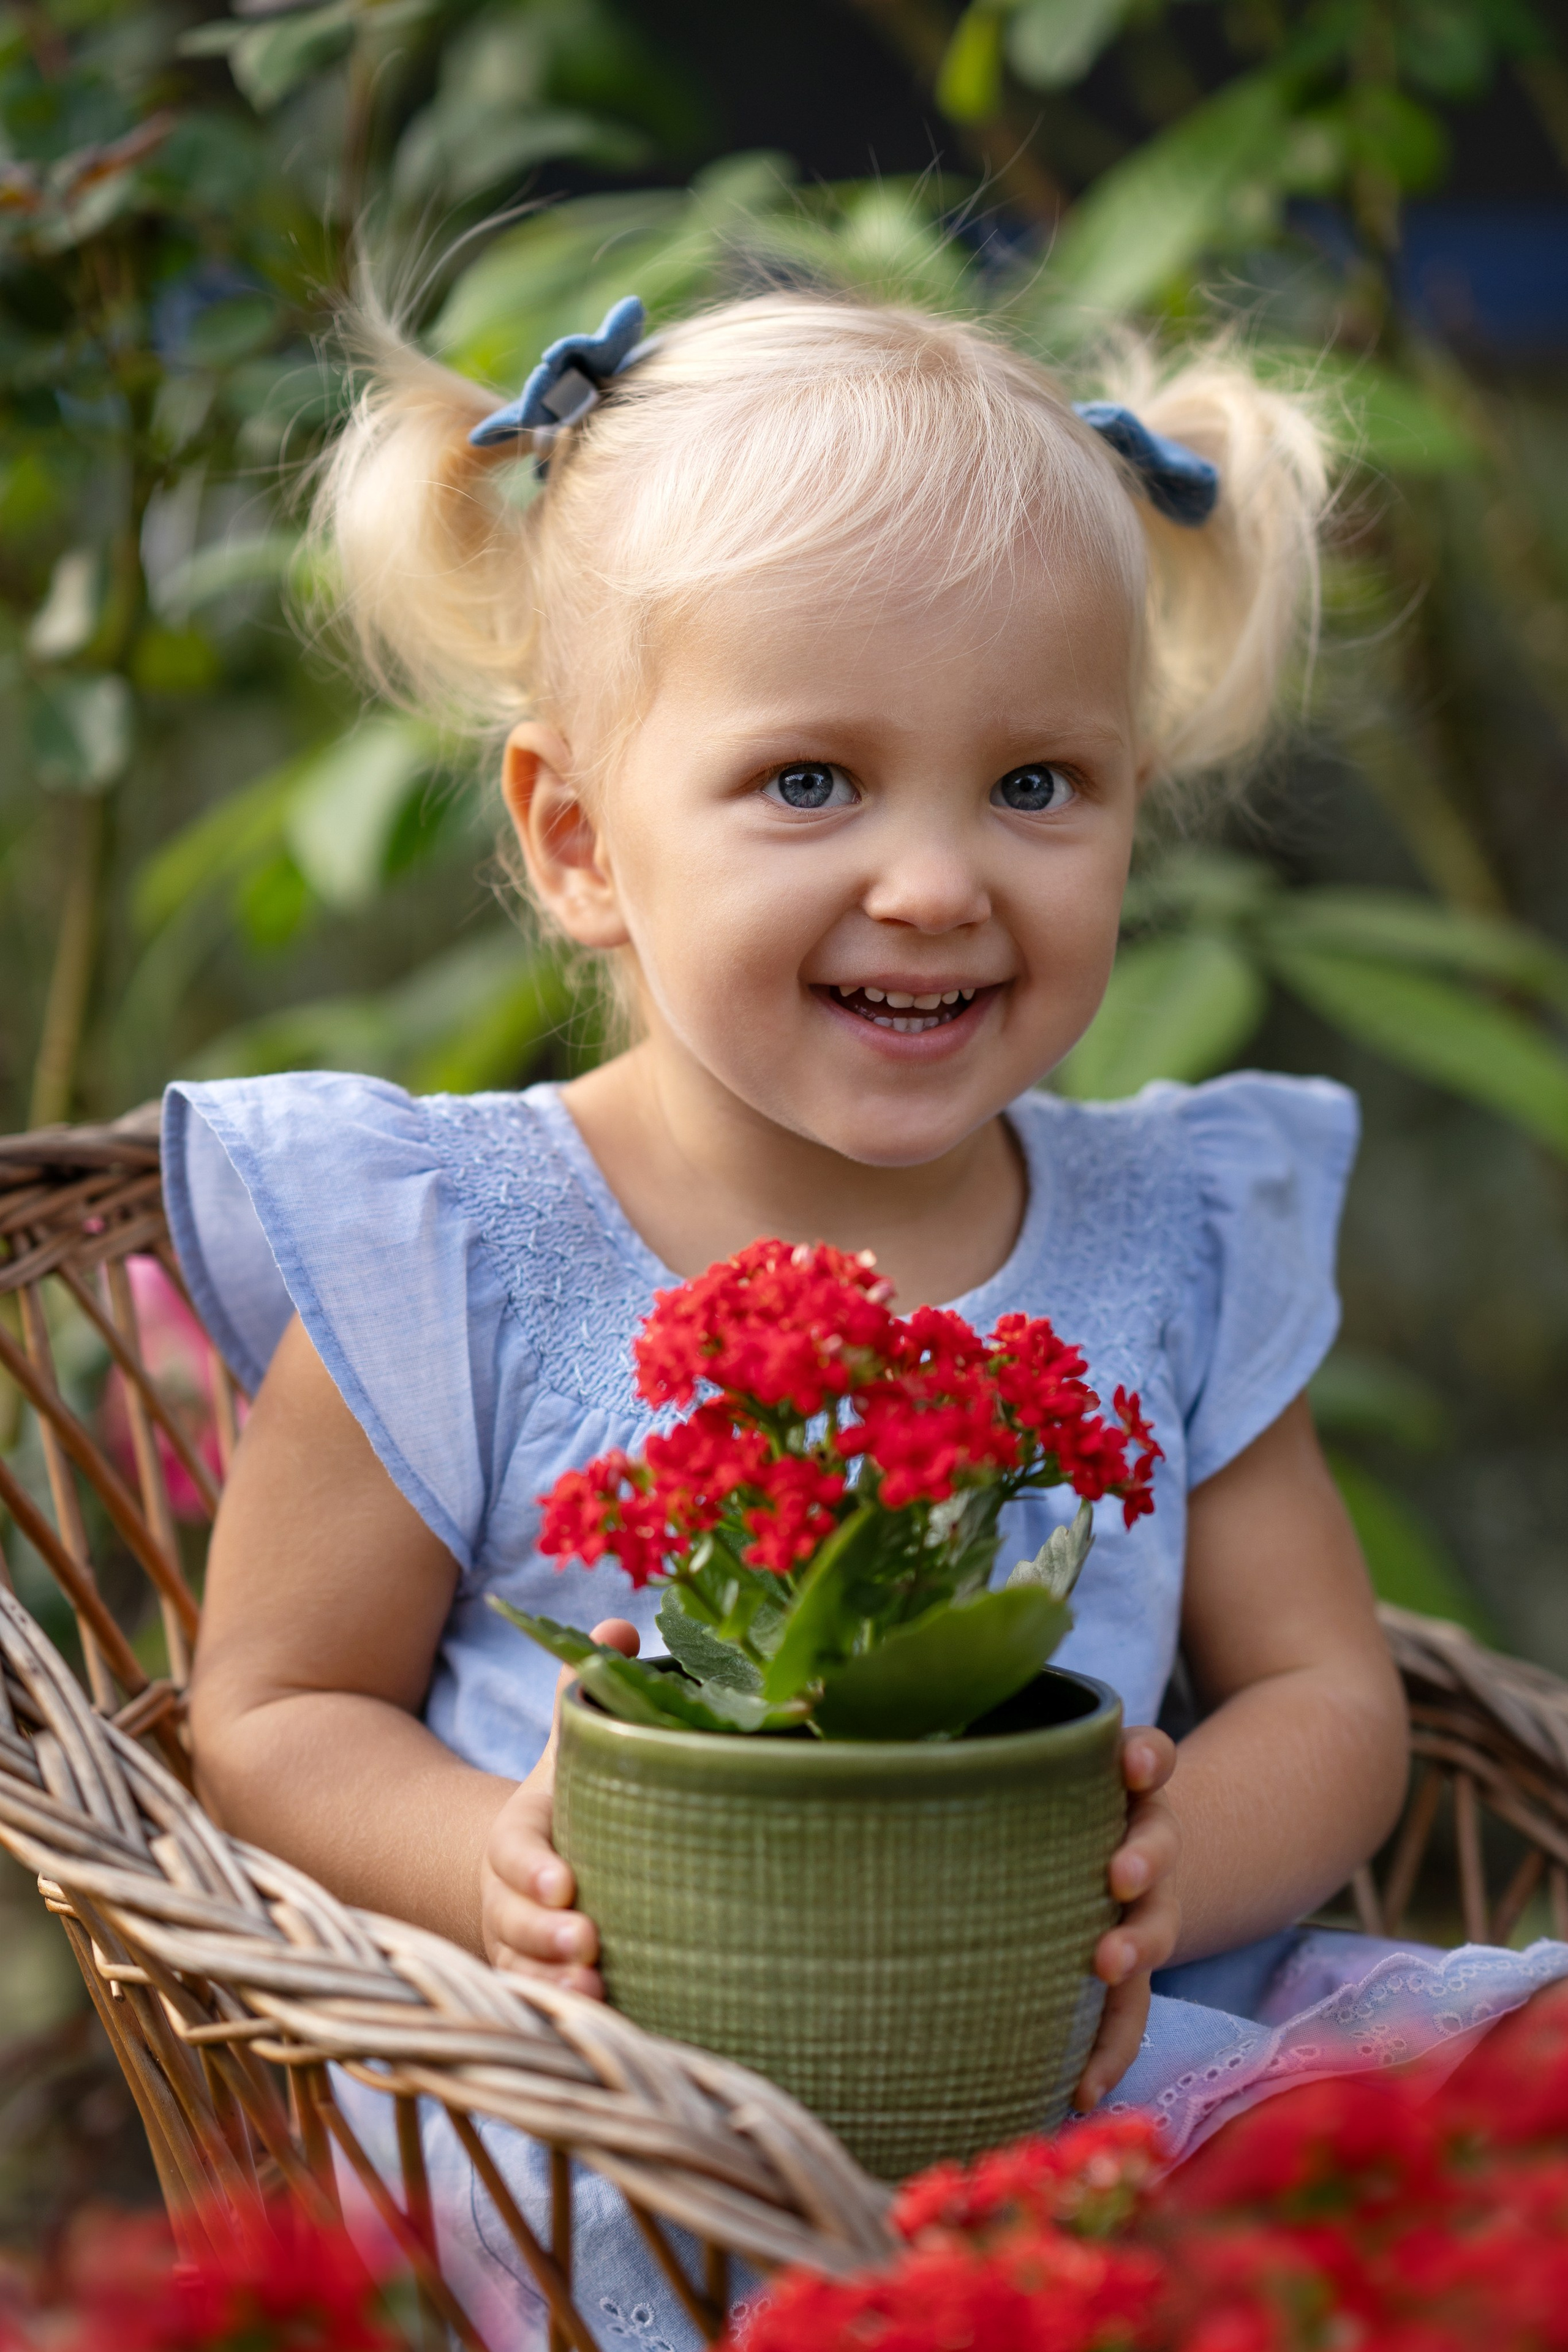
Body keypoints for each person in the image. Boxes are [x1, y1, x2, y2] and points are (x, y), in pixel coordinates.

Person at [163, 290, 1568, 2348]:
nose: (934, 883)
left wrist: (1176, 1875)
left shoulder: (1167, 1234)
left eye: (1035, 787)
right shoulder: (456, 1238)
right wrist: (494, 1862)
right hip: (636, 2124)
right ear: (577, 839)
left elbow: (1331, 1704)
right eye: (813, 782)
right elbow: (273, 1717)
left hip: (1084, 2094)